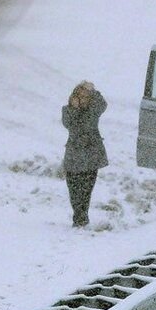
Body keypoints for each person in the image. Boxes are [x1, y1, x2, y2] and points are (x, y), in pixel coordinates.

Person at [61, 81, 108, 227]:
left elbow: (103, 104)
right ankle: (79, 217)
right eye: (80, 95)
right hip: (74, 156)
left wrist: (94, 90)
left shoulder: (93, 110)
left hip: (91, 155)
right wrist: (74, 108)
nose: (83, 98)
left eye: (87, 96)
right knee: (74, 189)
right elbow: (69, 124)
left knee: (86, 190)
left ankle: (81, 218)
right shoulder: (68, 110)